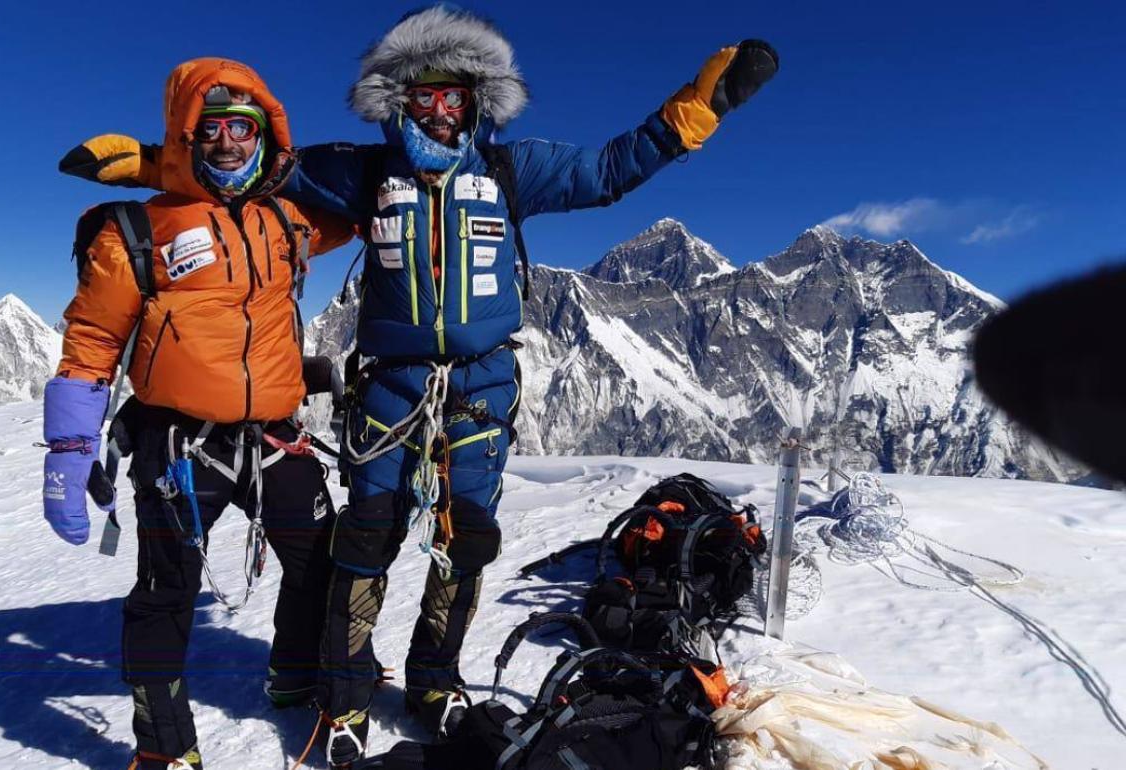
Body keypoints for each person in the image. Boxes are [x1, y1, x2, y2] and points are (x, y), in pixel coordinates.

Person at [59, 7, 779, 766]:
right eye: (423, 97)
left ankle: (434, 679)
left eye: (454, 97)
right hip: (389, 388)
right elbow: (247, 165)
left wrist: (695, 112)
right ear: (398, 103)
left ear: (478, 103)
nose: (438, 113)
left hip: (482, 385)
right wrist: (152, 164)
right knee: (364, 539)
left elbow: (607, 170)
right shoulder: (363, 172)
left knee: (464, 540)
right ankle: (344, 697)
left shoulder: (511, 170)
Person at [42, 57, 352, 770]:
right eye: (209, 128)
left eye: (243, 128)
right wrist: (67, 449)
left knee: (320, 566)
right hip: (177, 446)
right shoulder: (136, 231)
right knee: (164, 594)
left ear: (265, 136)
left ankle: (294, 675)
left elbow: (362, 200)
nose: (228, 142)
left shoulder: (289, 220)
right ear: (186, 133)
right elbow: (92, 341)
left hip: (275, 436)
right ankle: (164, 749)